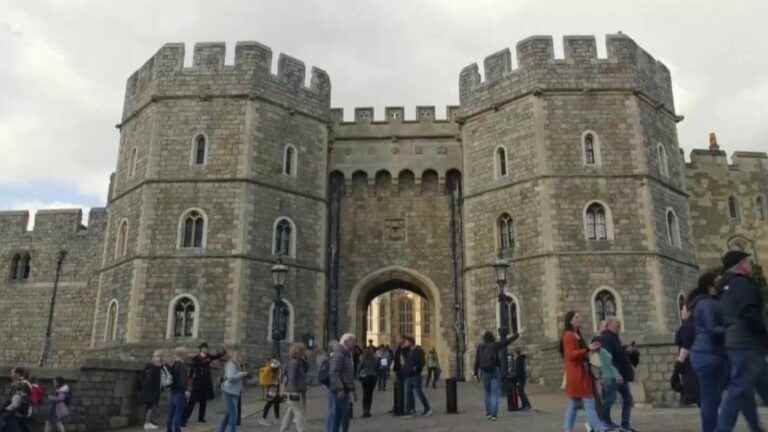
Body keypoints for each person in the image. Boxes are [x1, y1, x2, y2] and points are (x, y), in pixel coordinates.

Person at [716, 251, 768, 432]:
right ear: (740, 265)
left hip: (736, 343)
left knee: (753, 389)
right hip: (748, 343)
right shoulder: (743, 284)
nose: (750, 265)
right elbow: (750, 313)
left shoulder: (725, 287)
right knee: (737, 391)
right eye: (747, 261)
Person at [687, 270, 726, 432]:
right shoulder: (706, 304)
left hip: (712, 353)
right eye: (719, 281)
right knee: (710, 400)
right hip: (707, 355)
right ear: (711, 285)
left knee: (714, 399)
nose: (723, 282)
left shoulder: (710, 302)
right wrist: (732, 327)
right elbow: (711, 328)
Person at [561, 311, 604, 432]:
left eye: (580, 316)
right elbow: (570, 355)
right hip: (577, 374)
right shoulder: (568, 335)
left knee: (573, 405)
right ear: (570, 321)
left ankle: (567, 429)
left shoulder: (577, 334)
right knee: (589, 404)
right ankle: (600, 429)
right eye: (576, 317)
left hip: (581, 373)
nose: (580, 319)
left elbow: (582, 353)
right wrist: (587, 349)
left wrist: (592, 350)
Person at [473, 330, 519, 421]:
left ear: (484, 338)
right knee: (495, 393)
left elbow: (477, 360)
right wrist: (516, 336)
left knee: (487, 393)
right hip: (494, 370)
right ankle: (494, 415)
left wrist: (475, 373)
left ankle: (488, 414)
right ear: (492, 337)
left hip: (485, 371)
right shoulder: (494, 345)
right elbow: (506, 342)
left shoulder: (480, 347)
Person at [600, 318, 636, 432]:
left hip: (621, 375)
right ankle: (604, 422)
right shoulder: (606, 338)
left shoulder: (615, 338)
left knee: (628, 399)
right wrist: (615, 374)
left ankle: (625, 425)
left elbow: (618, 354)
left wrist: (626, 349)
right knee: (610, 399)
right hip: (612, 376)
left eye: (619, 326)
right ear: (609, 325)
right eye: (616, 325)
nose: (618, 328)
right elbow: (607, 358)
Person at [184, 342, 224, 425]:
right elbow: (193, 369)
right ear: (201, 349)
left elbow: (216, 356)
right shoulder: (196, 358)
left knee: (203, 401)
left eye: (206, 348)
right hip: (198, 382)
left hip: (206, 382)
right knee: (192, 401)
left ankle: (201, 418)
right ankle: (185, 417)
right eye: (204, 348)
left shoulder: (209, 356)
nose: (205, 349)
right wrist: (190, 380)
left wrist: (222, 352)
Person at [328, 333, 356, 432]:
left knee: (344, 416)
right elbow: (334, 372)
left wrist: (352, 389)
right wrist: (340, 388)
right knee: (336, 416)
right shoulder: (339, 353)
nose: (355, 344)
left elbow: (348, 374)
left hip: (345, 390)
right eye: (353, 341)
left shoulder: (347, 354)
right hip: (339, 391)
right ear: (346, 341)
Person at [672, 305, 699, 406]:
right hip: (699, 364)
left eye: (683, 309)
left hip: (689, 368)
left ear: (689, 312)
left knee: (689, 401)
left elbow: (685, 348)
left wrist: (677, 368)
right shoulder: (699, 325)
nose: (681, 312)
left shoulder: (686, 327)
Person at [219, 350, 249, 432]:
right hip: (228, 392)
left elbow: (237, 379)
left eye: (243, 357)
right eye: (241, 356)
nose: (243, 358)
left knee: (228, 414)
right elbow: (231, 378)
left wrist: (241, 387)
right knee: (233, 415)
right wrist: (242, 374)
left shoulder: (237, 364)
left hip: (233, 392)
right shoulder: (231, 364)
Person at [281, 343, 308, 432]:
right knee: (299, 412)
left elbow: (306, 368)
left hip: (295, 390)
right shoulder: (294, 362)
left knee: (291, 412)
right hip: (294, 391)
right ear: (298, 352)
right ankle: (302, 430)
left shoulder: (298, 362)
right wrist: (294, 391)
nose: (304, 353)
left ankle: (283, 429)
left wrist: (304, 360)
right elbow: (292, 378)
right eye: (303, 351)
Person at [403, 337, 431, 417]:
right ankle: (410, 410)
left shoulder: (418, 351)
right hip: (409, 375)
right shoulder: (408, 351)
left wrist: (416, 368)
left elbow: (422, 362)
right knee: (408, 393)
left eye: (406, 342)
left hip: (415, 375)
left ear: (411, 342)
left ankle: (427, 408)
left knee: (419, 392)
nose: (405, 343)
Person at [166, 347, 190, 432]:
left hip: (172, 391)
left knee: (171, 413)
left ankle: (169, 429)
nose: (187, 355)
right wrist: (186, 390)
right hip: (179, 392)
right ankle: (177, 430)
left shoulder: (173, 365)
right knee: (178, 413)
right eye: (186, 353)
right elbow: (183, 380)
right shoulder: (182, 365)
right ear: (182, 355)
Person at [140, 350, 164, 430]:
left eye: (160, 356)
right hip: (151, 390)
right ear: (153, 357)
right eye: (157, 356)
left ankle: (149, 422)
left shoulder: (149, 366)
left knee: (149, 407)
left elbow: (143, 377)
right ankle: (147, 423)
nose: (159, 358)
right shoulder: (154, 367)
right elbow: (149, 379)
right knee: (150, 407)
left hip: (149, 390)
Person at [257, 359, 282, 427]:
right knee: (270, 403)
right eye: (277, 368)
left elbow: (277, 379)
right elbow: (275, 379)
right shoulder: (271, 369)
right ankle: (263, 418)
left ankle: (277, 418)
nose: (278, 369)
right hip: (272, 387)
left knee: (276, 402)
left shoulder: (273, 368)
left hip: (274, 387)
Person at [358, 347, 379, 418]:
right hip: (373, 378)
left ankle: (365, 411)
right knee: (370, 394)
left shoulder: (363, 359)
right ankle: (368, 410)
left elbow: (359, 368)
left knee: (365, 394)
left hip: (365, 377)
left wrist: (358, 376)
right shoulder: (375, 359)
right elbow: (378, 368)